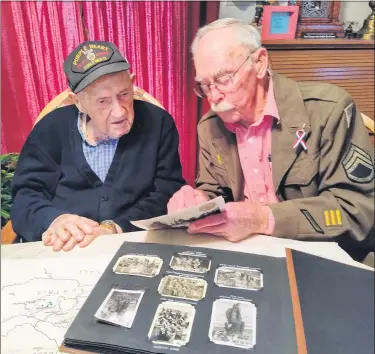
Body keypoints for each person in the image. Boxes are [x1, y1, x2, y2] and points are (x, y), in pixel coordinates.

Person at [167, 19, 374, 261]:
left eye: (223, 79)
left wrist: (263, 218)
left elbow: (357, 210)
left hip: (323, 255)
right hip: (248, 254)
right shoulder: (210, 126)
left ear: (259, 63)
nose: (213, 97)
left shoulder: (328, 111)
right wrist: (199, 203)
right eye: (204, 85)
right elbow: (215, 191)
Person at [11, 41, 185, 251]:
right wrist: (54, 219)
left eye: (124, 94)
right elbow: (25, 196)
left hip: (133, 244)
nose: (119, 112)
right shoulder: (50, 129)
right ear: (78, 102)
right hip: (65, 250)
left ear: (132, 82)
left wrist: (115, 228)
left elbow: (167, 193)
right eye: (102, 101)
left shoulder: (159, 123)